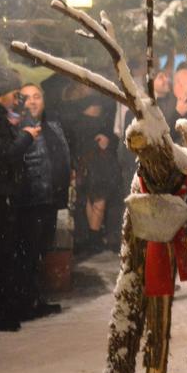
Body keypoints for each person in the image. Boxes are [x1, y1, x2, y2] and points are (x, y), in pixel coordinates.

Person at [13, 84, 70, 320]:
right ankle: (26, 302)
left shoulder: (52, 123)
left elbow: (61, 154)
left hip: (50, 199)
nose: (33, 102)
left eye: (37, 96)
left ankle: (36, 298)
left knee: (42, 250)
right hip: (29, 200)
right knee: (29, 252)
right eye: (27, 98)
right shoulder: (17, 127)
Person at [61, 82, 121, 253]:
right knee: (96, 196)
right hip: (93, 155)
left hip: (86, 154)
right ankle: (92, 238)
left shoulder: (71, 108)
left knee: (91, 196)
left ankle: (90, 238)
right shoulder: (94, 102)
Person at [0, 67, 35, 331]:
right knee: (4, 255)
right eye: (13, 94)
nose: (17, 99)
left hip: (6, 194)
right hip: (2, 195)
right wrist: (26, 137)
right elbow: (6, 155)